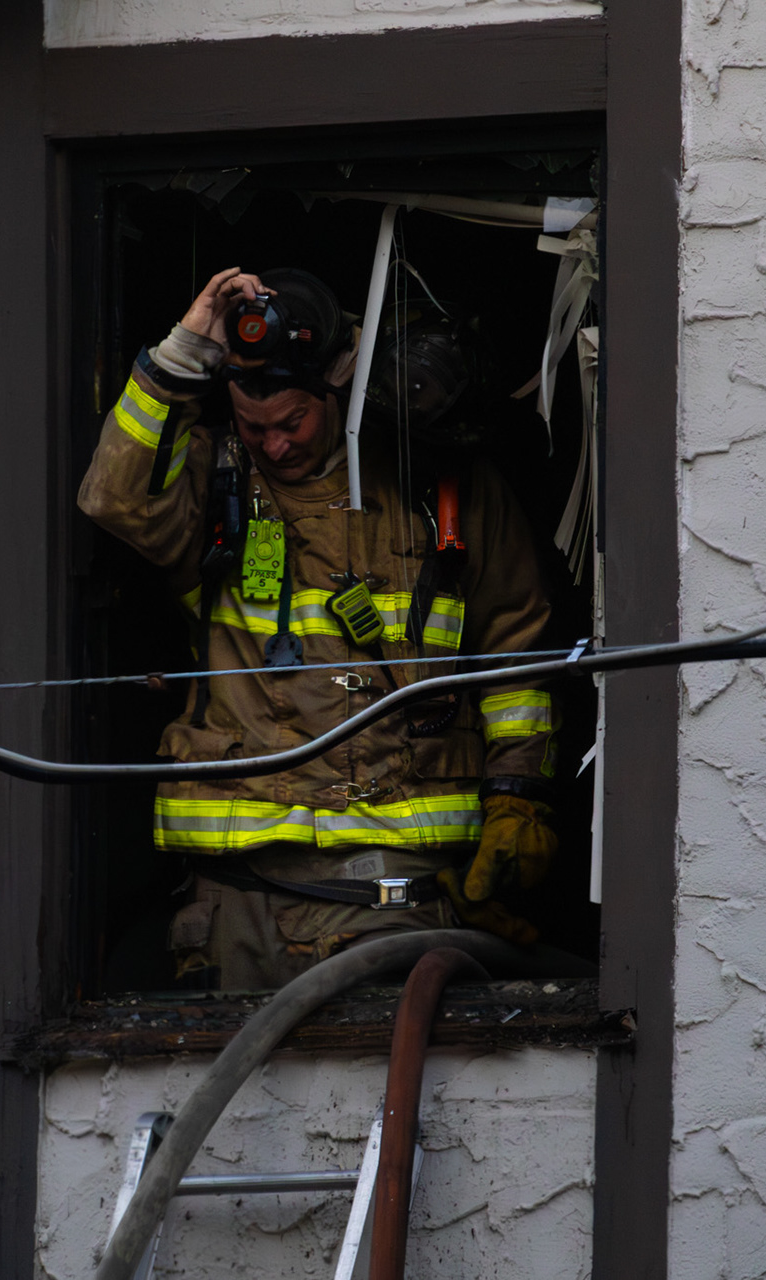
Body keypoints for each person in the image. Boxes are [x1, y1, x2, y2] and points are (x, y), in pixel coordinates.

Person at [78, 265, 561, 990]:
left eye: (292, 422)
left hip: (401, 888)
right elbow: (113, 499)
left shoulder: (442, 485)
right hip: (237, 895)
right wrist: (182, 355)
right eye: (253, 427)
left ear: (339, 395)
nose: (274, 447)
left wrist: (516, 796)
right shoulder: (212, 482)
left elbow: (515, 651)